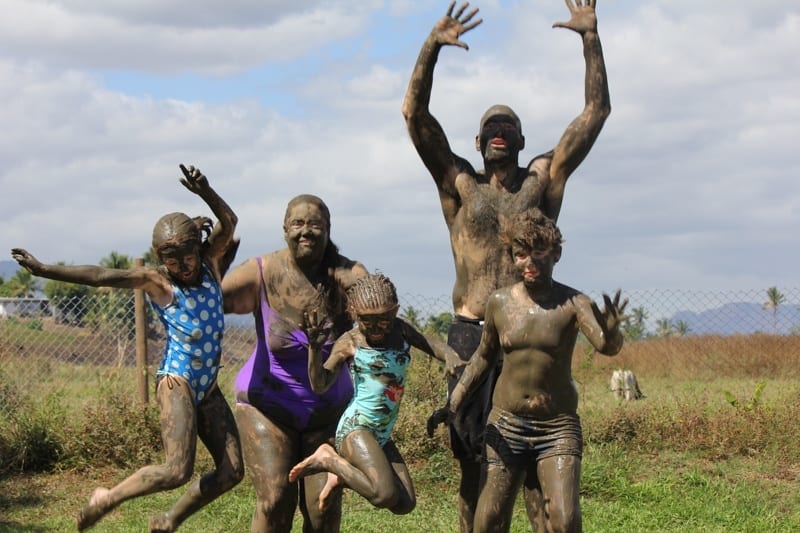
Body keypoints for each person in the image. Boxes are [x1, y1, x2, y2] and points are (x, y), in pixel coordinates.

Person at [401, 1, 611, 529]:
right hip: (473, 332)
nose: (500, 130)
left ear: (520, 140)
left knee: (538, 465)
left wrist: (589, 37)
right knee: (473, 459)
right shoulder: (460, 185)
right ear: (478, 142)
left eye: (509, 126)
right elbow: (415, 116)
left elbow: (594, 115)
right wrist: (431, 46)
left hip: (531, 328)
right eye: (491, 125)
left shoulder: (542, 184)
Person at [11, 164, 243, 532]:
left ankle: (169, 520)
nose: (181, 266)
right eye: (171, 260)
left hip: (208, 386)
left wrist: (207, 191)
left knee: (232, 471)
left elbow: (228, 221)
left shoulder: (211, 262)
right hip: (178, 382)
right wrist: (44, 270)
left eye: (187, 256)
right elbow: (100, 276)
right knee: (175, 470)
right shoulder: (157, 283)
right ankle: (107, 497)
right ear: (159, 259)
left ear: (199, 248)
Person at [428, 209, 627, 532]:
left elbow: (606, 346)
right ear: (512, 258)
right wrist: (453, 402)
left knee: (565, 520)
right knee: (489, 520)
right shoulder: (499, 303)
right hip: (507, 424)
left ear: (556, 253)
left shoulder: (574, 303)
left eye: (539, 251)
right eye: (521, 254)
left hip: (557, 428)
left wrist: (614, 331)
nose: (529, 261)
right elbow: (482, 358)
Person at [221, 194, 368, 532]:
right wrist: (215, 261)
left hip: (329, 412)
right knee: (274, 502)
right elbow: (213, 300)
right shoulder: (263, 271)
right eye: (298, 224)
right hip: (268, 406)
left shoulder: (346, 274)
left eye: (315, 224)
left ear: (328, 230)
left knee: (323, 509)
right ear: (285, 229)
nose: (307, 231)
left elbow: (381, 311)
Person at [288, 273, 462, 514]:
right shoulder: (350, 341)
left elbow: (434, 345)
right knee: (383, 494)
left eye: (384, 319)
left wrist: (451, 356)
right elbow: (320, 384)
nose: (376, 327)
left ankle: (340, 476)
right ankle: (329, 459)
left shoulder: (401, 331)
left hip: (382, 432)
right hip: (356, 428)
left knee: (404, 503)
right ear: (353, 313)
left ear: (396, 311)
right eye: (367, 320)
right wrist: (315, 351)